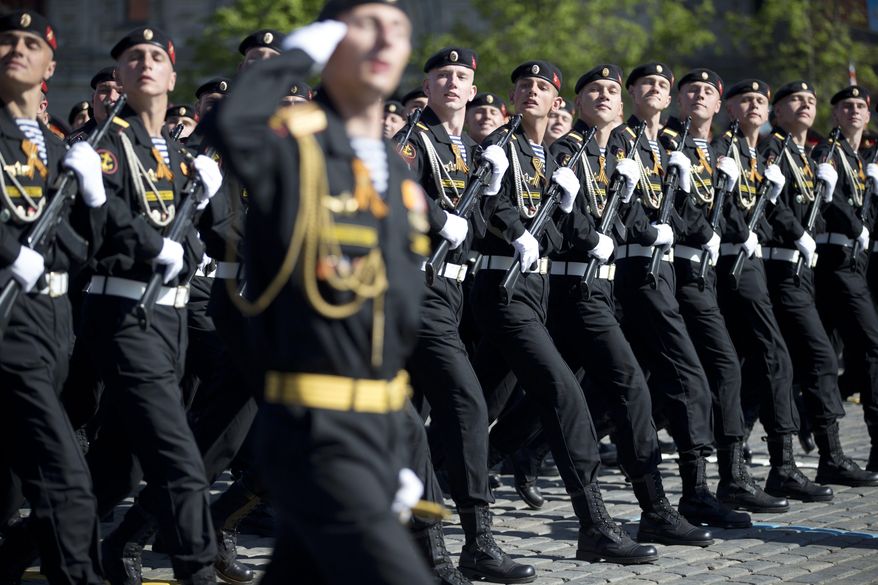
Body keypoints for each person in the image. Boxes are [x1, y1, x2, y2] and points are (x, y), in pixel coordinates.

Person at [212, 2, 441, 583]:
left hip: (375, 423)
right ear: (330, 41)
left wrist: (394, 441)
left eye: (398, 31)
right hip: (315, 427)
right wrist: (297, 51)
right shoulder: (296, 146)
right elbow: (231, 122)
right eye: (367, 25)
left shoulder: (392, 165)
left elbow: (392, 316)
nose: (385, 39)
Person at [471, 59, 658, 564]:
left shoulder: (551, 159)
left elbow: (558, 232)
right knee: (562, 393)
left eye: (540, 87)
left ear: (556, 104)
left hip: (536, 290)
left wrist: (570, 223)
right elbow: (489, 210)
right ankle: (594, 523)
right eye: (523, 87)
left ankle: (427, 487)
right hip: (498, 286)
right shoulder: (498, 147)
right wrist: (516, 228)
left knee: (472, 407)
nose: (531, 92)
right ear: (512, 99)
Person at [545, 63, 714, 546]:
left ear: (621, 108)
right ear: (577, 105)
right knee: (627, 388)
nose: (603, 96)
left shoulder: (614, 159)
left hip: (605, 289)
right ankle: (652, 507)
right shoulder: (564, 151)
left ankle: (473, 465)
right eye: (592, 90)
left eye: (610, 92)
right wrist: (589, 233)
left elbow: (632, 216)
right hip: (569, 289)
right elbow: (561, 217)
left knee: (522, 393)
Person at [79, 26, 221, 585]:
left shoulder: (181, 154)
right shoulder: (105, 148)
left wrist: (203, 206)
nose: (143, 64)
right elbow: (99, 226)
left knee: (115, 470)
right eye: (131, 58)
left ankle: (22, 550)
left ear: (171, 75)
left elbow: (203, 238)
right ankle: (198, 569)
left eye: (155, 56)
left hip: (174, 318)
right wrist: (150, 244)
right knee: (177, 456)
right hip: (124, 314)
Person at [397, 46, 535, 583]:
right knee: (466, 405)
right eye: (441, 76)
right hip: (416, 288)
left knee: (409, 422)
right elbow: (393, 184)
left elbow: (474, 231)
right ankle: (473, 542)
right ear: (426, 86)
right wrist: (434, 215)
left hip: (449, 291)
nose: (452, 84)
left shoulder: (469, 149)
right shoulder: (414, 137)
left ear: (474, 90)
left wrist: (494, 187)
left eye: (462, 77)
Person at [611, 63, 749, 528]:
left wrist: (704, 226)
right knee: (687, 376)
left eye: (661, 85)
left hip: (665, 271)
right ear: (632, 93)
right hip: (633, 270)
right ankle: (694, 492)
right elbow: (613, 207)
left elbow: (683, 211)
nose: (654, 89)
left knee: (631, 382)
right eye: (646, 83)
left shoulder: (667, 146)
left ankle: (700, 488)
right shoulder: (617, 140)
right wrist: (651, 228)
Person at [0, 10, 104, 585]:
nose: (17, 48)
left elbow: (85, 250)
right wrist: (7, 249)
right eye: (6, 41)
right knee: (66, 483)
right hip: (10, 318)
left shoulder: (60, 148)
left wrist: (92, 195)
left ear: (50, 65)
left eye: (30, 42)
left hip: (54, 319)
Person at [662, 69, 787, 514]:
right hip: (672, 272)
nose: (699, 96)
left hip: (707, 274)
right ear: (680, 103)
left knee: (709, 372)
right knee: (713, 370)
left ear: (719, 107)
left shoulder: (719, 152)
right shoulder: (664, 145)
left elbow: (730, 214)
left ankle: (729, 476)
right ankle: (719, 480)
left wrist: (755, 204)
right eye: (691, 91)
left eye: (708, 92)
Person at [714, 79, 832, 503]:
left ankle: (755, 463)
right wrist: (740, 226)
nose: (754, 106)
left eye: (760, 101)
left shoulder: (754, 154)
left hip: (754, 263)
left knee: (748, 363)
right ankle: (779, 466)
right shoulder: (723, 150)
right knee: (771, 354)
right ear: (730, 109)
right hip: (730, 263)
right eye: (746, 100)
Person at [760, 80, 878, 489]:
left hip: (804, 270)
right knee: (818, 358)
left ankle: (798, 457)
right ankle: (822, 456)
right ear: (777, 113)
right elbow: (767, 205)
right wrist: (798, 230)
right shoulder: (772, 149)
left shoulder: (805, 155)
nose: (807, 104)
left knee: (785, 365)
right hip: (780, 269)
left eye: (811, 100)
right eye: (796, 99)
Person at [811, 85, 878, 486]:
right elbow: (826, 202)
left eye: (860, 107)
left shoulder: (860, 158)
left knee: (846, 355)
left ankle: (805, 411)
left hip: (860, 263)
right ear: (834, 116)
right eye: (845, 107)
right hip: (833, 263)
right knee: (870, 347)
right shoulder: (828, 154)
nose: (853, 112)